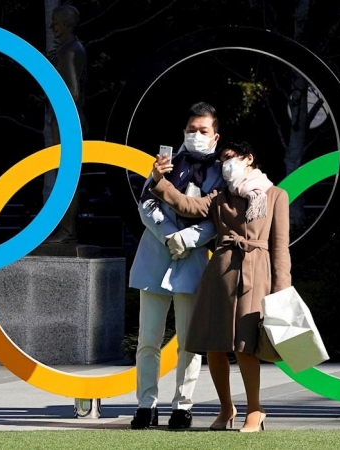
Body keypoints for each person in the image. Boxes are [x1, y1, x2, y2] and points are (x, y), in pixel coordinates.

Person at [148, 140, 292, 433]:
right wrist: (158, 180)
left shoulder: (275, 195)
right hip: (220, 274)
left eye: (230, 158)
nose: (225, 164)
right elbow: (187, 205)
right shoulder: (220, 196)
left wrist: (282, 289)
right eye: (222, 159)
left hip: (256, 274)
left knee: (245, 345)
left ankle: (255, 410)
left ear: (248, 158)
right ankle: (226, 408)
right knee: (214, 345)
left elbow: (280, 247)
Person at [128, 102, 226, 430]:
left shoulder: (222, 171)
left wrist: (188, 239)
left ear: (215, 136)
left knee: (189, 341)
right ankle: (146, 405)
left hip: (193, 262)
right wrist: (170, 234)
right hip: (155, 257)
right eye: (191, 129)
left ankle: (182, 406)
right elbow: (146, 203)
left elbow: (219, 219)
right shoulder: (165, 163)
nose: (196, 135)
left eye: (203, 131)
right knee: (148, 339)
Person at [41, 4, 88, 246]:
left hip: (66, 121)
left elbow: (73, 92)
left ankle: (67, 231)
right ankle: (66, 230)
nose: (52, 26)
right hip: (67, 121)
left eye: (55, 22)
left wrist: (51, 79)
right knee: (66, 176)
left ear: (66, 24)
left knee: (66, 178)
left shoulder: (68, 51)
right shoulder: (71, 48)